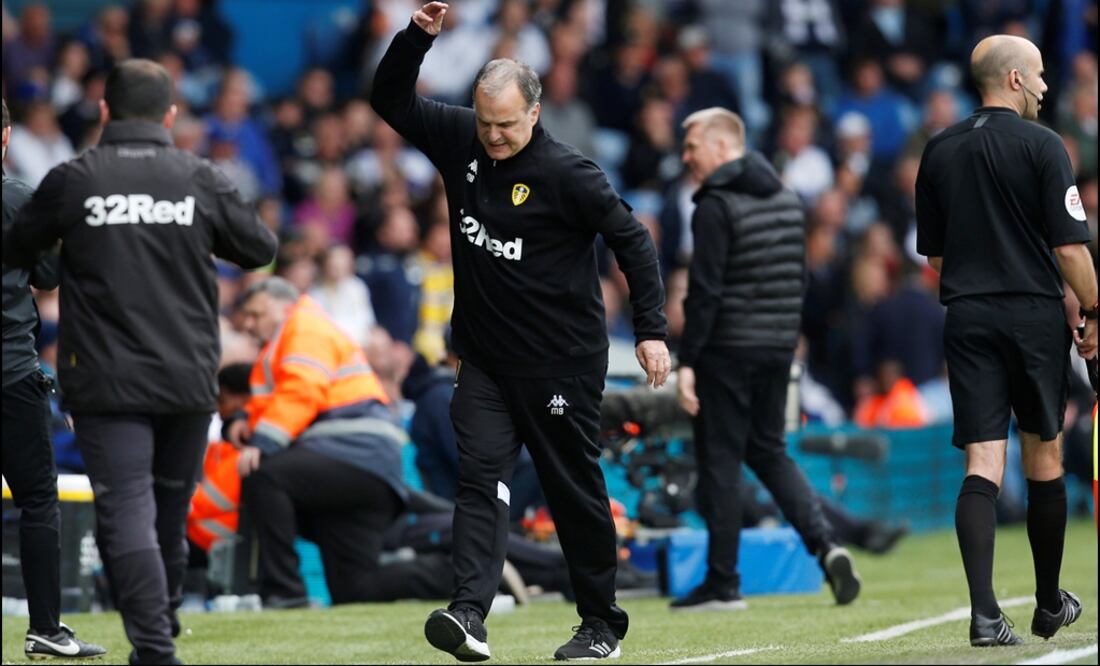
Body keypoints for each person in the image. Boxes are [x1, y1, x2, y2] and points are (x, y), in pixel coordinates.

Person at [371, 3, 671, 661]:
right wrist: (416, 39)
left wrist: (651, 329)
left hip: (561, 363)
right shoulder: (462, 141)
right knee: (480, 480)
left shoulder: (570, 174)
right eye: (485, 122)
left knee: (573, 491)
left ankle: (599, 626)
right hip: (483, 361)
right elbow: (388, 97)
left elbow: (633, 240)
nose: (494, 136)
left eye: (506, 124)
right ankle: (470, 614)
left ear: (533, 114)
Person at [3, 60, 278, 665]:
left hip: (105, 376)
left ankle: (154, 645)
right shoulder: (199, 177)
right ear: (171, 116)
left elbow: (22, 250)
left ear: (104, 111)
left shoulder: (74, 179)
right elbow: (259, 249)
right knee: (168, 511)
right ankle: (161, 628)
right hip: (185, 372)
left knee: (126, 507)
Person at [915, 35, 1097, 647]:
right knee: (1043, 455)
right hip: (1033, 316)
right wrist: (1095, 310)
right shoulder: (1045, 145)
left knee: (982, 462)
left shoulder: (938, 149)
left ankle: (985, 615)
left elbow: (936, 255)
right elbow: (1070, 248)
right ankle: (1048, 605)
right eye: (1040, 75)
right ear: (1015, 79)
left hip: (966, 316)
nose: (1047, 86)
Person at [674, 107, 862, 611]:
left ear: (721, 145)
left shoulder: (713, 204)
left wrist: (687, 360)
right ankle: (827, 547)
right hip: (778, 347)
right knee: (770, 452)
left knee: (720, 462)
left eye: (692, 145)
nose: (686, 156)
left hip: (727, 351)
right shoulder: (785, 195)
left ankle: (722, 583)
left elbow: (705, 292)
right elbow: (796, 278)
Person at [229, 277, 423, 606]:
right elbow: (279, 401)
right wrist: (241, 422)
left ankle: (285, 593)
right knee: (356, 589)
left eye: (255, 314)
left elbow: (301, 392)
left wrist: (261, 442)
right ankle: (456, 571)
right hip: (363, 463)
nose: (248, 324)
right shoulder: (292, 336)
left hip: (352, 451)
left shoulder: (304, 326)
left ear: (284, 305)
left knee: (264, 476)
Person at [2, 98, 106, 660]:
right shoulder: (18, 197)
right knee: (38, 500)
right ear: (6, 137)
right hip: (10, 373)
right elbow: (48, 274)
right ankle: (45, 626)